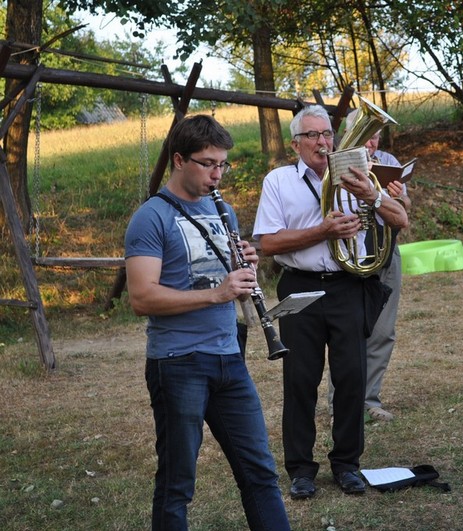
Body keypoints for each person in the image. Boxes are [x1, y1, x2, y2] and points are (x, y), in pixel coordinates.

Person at [124, 114, 290, 531]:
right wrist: (217, 293)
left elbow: (223, 274)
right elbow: (142, 297)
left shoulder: (225, 213)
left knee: (260, 473)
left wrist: (242, 263)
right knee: (178, 482)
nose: (218, 174)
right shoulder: (152, 217)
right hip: (178, 362)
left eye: (223, 164)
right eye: (208, 164)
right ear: (179, 160)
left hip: (228, 357)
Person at [253, 105, 408, 500]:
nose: (322, 142)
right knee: (300, 380)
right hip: (300, 286)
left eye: (326, 135)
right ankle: (301, 470)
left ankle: (347, 464)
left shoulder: (359, 176)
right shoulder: (278, 181)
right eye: (312, 136)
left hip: (348, 285)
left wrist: (372, 195)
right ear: (296, 143)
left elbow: (400, 221)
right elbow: (268, 243)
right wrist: (322, 231)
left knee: (352, 378)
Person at [328, 112, 412, 423]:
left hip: (386, 249)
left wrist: (398, 198)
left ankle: (369, 399)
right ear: (348, 134)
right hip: (349, 254)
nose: (371, 141)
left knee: (383, 331)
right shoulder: (335, 162)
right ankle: (339, 402)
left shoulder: (388, 160)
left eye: (375, 135)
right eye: (365, 134)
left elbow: (406, 211)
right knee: (347, 333)